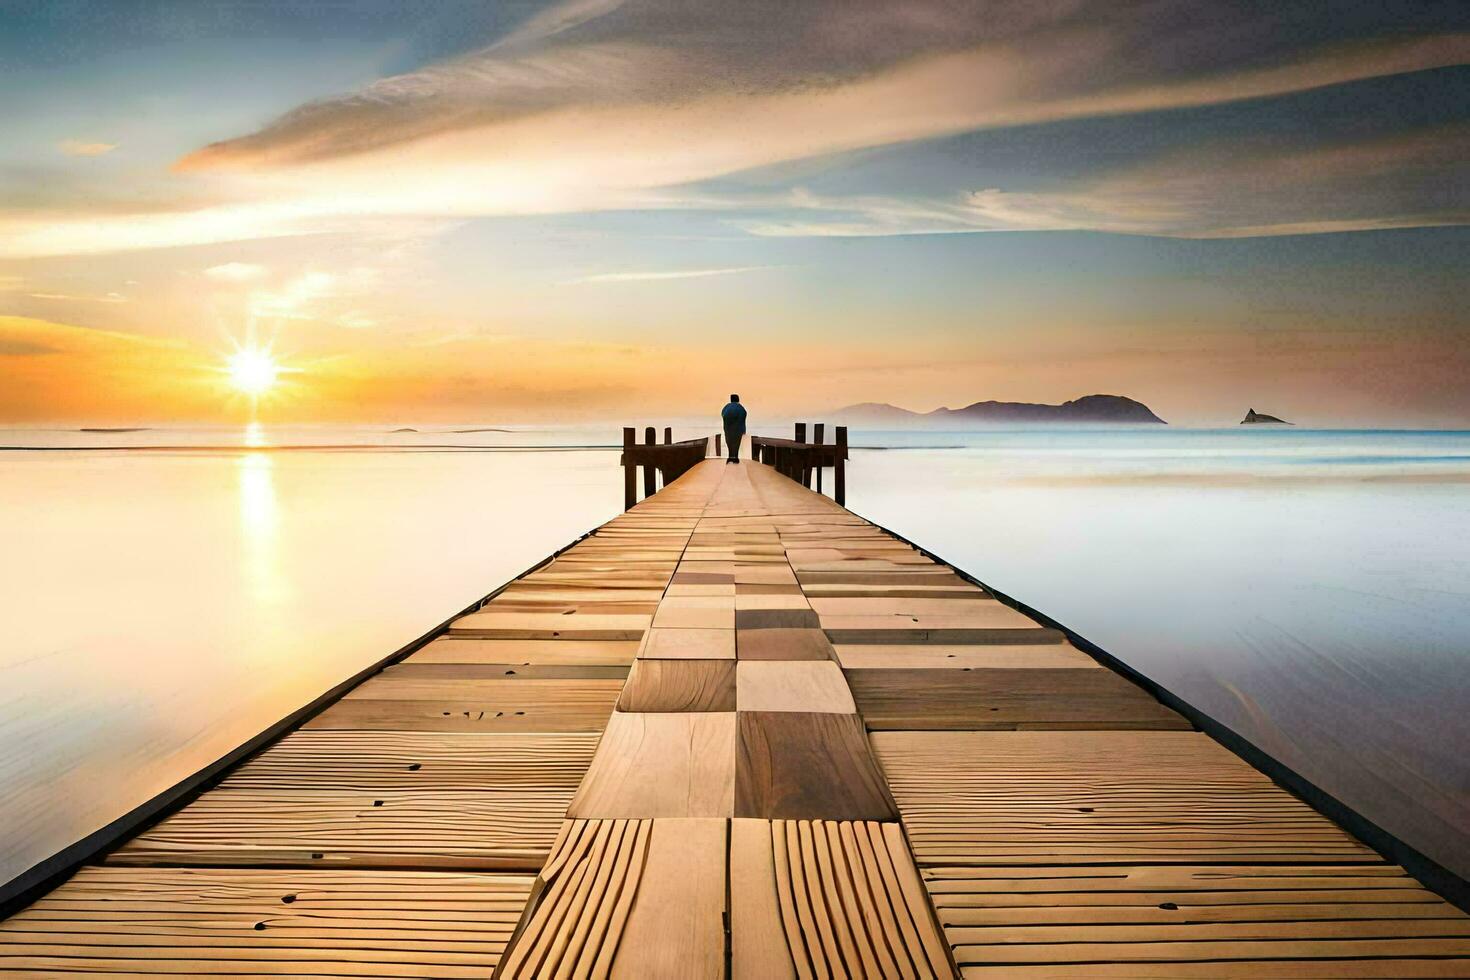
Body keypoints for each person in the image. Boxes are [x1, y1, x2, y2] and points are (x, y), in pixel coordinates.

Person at [721, 394, 747, 463]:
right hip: (738, 429)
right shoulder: (740, 408)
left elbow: (723, 415)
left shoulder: (726, 407)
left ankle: (730, 457)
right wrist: (743, 429)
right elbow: (744, 416)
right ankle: (735, 457)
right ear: (738, 399)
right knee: (736, 444)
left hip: (728, 429)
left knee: (729, 443)